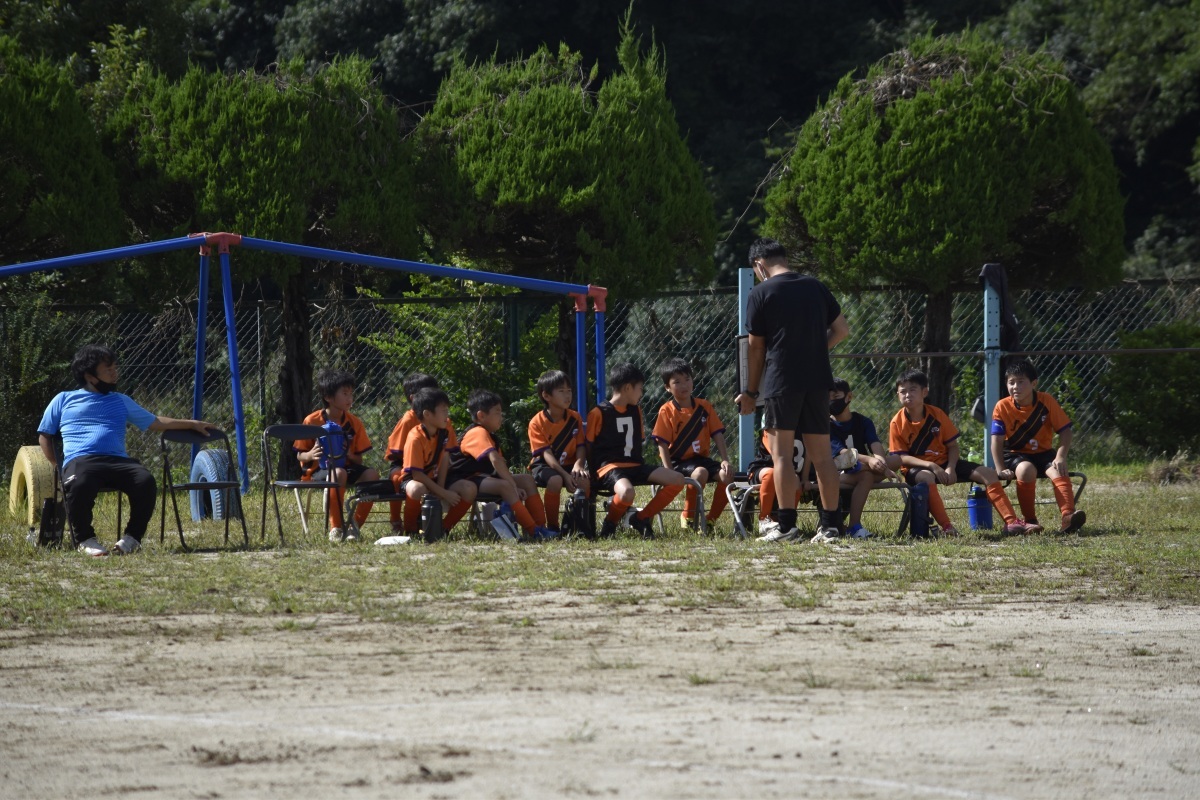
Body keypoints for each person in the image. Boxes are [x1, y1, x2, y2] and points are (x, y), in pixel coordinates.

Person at [37, 343, 217, 556]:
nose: (115, 373)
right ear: (90, 376)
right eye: (108, 370)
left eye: (115, 367)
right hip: (82, 460)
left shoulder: (120, 400)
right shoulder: (64, 399)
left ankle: (132, 539)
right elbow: (45, 435)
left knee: (145, 480)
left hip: (118, 461)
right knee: (80, 483)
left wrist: (192, 424)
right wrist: (58, 466)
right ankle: (85, 540)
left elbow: (156, 422)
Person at [734, 237, 850, 544]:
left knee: (782, 456)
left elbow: (756, 348)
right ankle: (831, 527)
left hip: (782, 381)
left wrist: (750, 392)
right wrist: (815, 351)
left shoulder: (760, 292)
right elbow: (842, 330)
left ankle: (786, 526)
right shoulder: (816, 286)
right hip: (818, 379)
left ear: (759, 265)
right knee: (823, 457)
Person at [888, 369, 1034, 537]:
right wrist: (932, 466)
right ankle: (947, 527)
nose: (908, 395)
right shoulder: (896, 422)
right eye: (903, 391)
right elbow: (902, 457)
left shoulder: (937, 414)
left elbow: (953, 446)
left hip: (945, 462)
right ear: (898, 395)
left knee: (988, 473)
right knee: (926, 477)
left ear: (924, 392)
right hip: (918, 468)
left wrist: (950, 468)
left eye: (912, 390)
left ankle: (1012, 522)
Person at [586, 362, 686, 539]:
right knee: (627, 493)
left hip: (635, 465)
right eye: (640, 388)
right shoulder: (598, 413)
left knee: (677, 479)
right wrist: (591, 472)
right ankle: (610, 524)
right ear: (627, 388)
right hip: (609, 468)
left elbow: (637, 441)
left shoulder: (635, 410)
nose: (641, 393)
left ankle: (641, 518)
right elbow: (588, 446)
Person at [990, 360, 1085, 534]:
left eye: (1021, 382)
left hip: (1044, 453)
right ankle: (1030, 520)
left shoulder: (1046, 401)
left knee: (1059, 471)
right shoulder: (1002, 406)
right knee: (1026, 470)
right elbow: (996, 440)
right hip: (1015, 454)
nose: (1015, 387)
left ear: (1034, 383)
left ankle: (1068, 517)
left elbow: (1065, 432)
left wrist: (1060, 457)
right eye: (1011, 382)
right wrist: (1000, 468)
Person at [294, 369, 379, 543]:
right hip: (319, 471)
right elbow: (299, 455)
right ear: (328, 397)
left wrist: (349, 453)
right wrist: (310, 454)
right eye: (345, 394)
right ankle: (336, 528)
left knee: (372, 474)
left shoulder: (354, 423)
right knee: (338, 473)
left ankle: (354, 526)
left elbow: (359, 460)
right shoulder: (312, 421)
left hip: (346, 468)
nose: (350, 398)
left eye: (351, 394)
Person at [652, 357, 732, 531]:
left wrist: (725, 460)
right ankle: (688, 517)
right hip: (679, 462)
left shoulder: (704, 406)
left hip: (701, 460)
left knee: (727, 475)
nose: (684, 385)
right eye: (677, 382)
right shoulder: (666, 410)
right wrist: (669, 471)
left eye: (687, 379)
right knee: (700, 473)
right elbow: (662, 443)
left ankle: (710, 521)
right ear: (667, 387)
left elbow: (718, 434)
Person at [385, 372, 459, 536]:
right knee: (397, 479)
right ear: (414, 399)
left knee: (464, 486)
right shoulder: (409, 422)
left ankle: (440, 528)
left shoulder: (444, 422)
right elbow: (397, 454)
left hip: (431, 467)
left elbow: (445, 456)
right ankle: (399, 521)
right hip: (406, 466)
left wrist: (439, 487)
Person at [398, 387, 477, 541]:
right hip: (414, 480)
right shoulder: (415, 438)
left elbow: (445, 458)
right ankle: (410, 530)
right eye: (443, 410)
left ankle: (443, 529)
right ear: (427, 414)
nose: (447, 414)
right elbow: (417, 475)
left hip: (437, 479)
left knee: (469, 488)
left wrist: (440, 488)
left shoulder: (446, 428)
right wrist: (443, 493)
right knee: (417, 489)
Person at [827, 377, 902, 539]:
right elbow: (842, 453)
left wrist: (881, 462)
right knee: (866, 476)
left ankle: (851, 526)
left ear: (849, 397)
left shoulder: (863, 421)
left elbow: (875, 445)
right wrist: (870, 461)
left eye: (836, 396)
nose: (831, 401)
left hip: (859, 468)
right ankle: (854, 526)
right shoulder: (826, 425)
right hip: (837, 472)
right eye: (828, 398)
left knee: (896, 460)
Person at [527, 370, 590, 534]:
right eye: (561, 391)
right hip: (544, 465)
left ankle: (584, 526)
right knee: (555, 480)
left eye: (569, 390)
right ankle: (553, 526)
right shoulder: (536, 422)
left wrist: (579, 465)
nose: (567, 395)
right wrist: (564, 475)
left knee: (584, 480)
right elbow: (546, 455)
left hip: (569, 464)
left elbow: (581, 446)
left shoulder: (575, 417)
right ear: (546, 396)